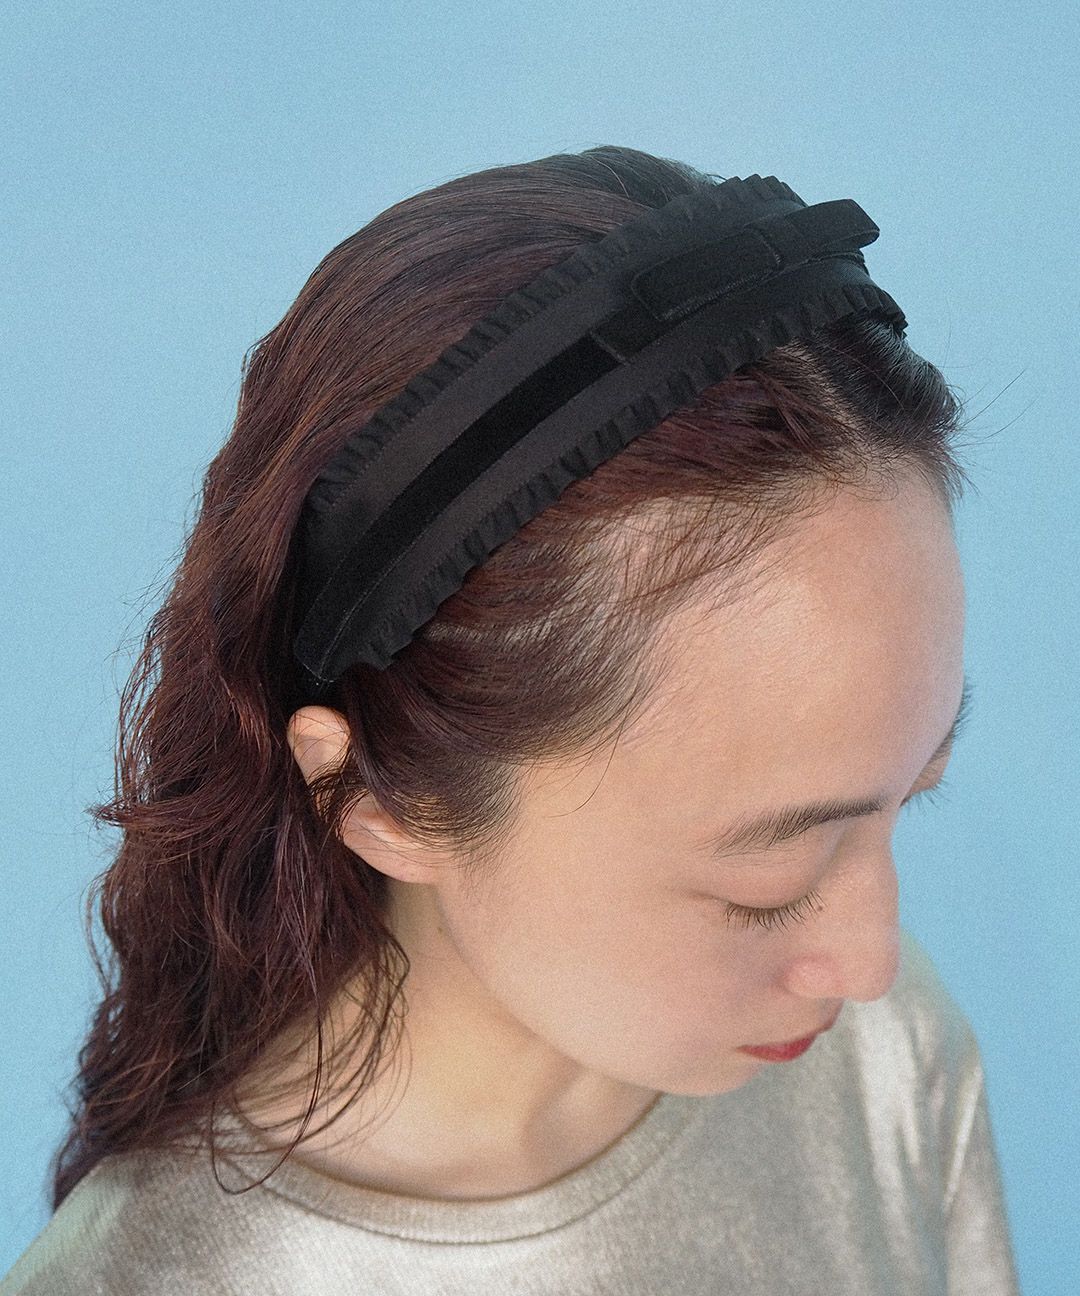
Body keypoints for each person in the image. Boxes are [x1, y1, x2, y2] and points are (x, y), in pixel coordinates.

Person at [1, 145, 1021, 1294]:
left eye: (911, 793)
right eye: (765, 884)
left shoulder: (883, 1066)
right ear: (381, 799)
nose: (873, 964)